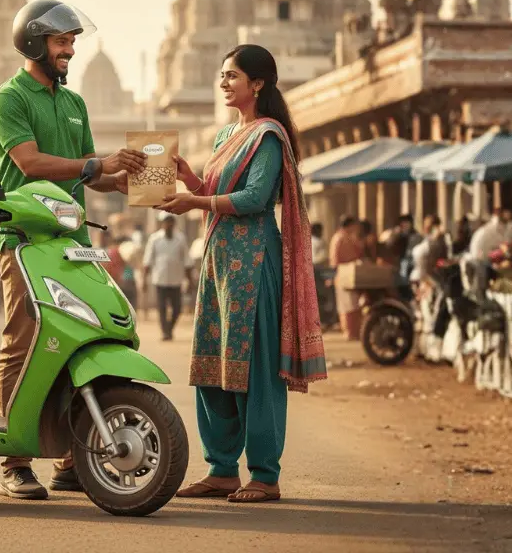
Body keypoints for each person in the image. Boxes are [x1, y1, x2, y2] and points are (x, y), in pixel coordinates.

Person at [0, 0, 147, 500]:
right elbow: (31, 163)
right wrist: (98, 165)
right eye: (61, 42)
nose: (70, 50)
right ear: (35, 44)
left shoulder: (73, 103)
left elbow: (89, 173)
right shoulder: (9, 99)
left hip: (73, 241)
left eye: (72, 41)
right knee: (22, 340)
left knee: (81, 336)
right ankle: (14, 461)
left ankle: (69, 460)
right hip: (24, 240)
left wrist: (137, 182)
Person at [159, 43, 326, 504]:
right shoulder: (223, 137)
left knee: (255, 366)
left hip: (255, 261)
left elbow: (254, 199)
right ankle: (222, 470)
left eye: (232, 75)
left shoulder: (268, 136)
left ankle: (265, 475)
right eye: (222, 74)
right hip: (218, 260)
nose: (223, 82)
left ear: (258, 84)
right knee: (212, 363)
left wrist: (195, 201)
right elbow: (212, 191)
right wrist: (187, 178)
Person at [144, 212, 193, 341]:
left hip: (176, 280)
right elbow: (147, 260)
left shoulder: (181, 238)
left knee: (177, 309)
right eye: (166, 222)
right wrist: (144, 279)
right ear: (162, 223)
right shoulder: (154, 238)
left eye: (171, 221)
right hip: (160, 278)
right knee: (162, 307)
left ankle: (169, 328)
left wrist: (190, 280)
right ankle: (165, 332)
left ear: (174, 223)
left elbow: (187, 260)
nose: (169, 224)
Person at [329, 215, 365, 339]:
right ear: (350, 225)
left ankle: (352, 332)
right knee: (347, 305)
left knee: (352, 305)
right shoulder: (340, 238)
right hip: (344, 274)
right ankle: (349, 332)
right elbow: (335, 260)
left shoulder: (346, 237)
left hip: (350, 274)